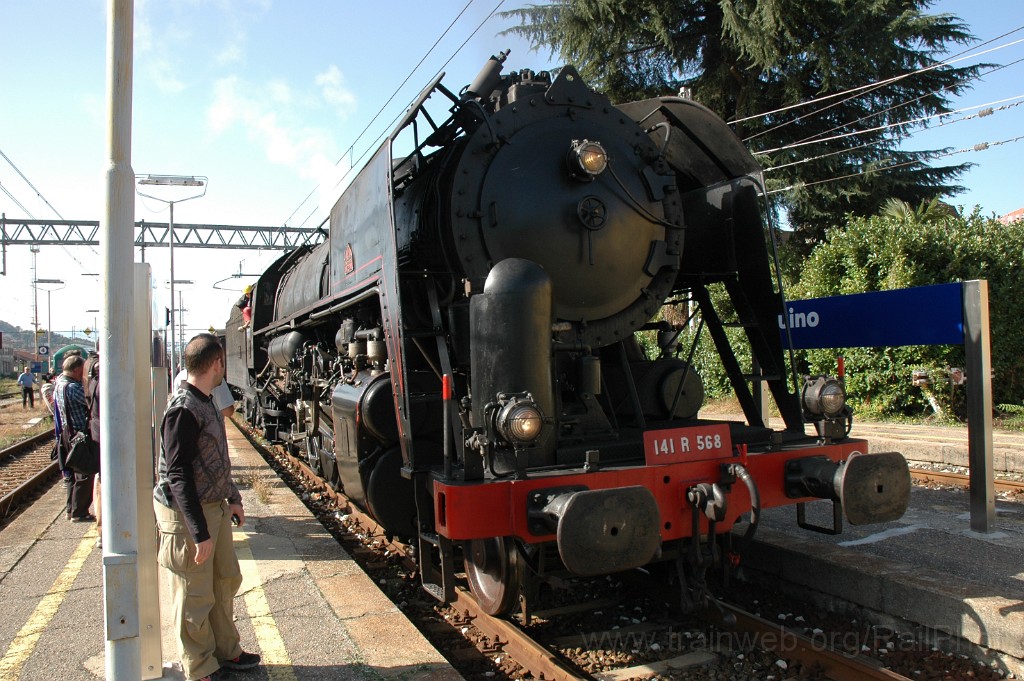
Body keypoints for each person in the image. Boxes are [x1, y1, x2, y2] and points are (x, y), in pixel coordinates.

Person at [153, 333, 260, 681]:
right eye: (223, 363)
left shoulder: (207, 400)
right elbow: (177, 475)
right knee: (193, 593)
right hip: (187, 517)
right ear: (217, 364)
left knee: (224, 580)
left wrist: (234, 497)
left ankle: (225, 651)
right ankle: (198, 666)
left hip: (213, 506)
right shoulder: (182, 409)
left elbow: (217, 459)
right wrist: (198, 533)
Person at [54, 355, 96, 522]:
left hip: (66, 432)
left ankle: (71, 509)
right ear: (78, 369)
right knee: (84, 472)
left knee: (71, 472)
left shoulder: (59, 384)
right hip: (78, 434)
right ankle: (80, 511)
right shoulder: (73, 387)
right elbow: (90, 401)